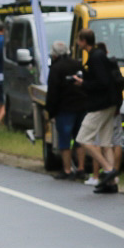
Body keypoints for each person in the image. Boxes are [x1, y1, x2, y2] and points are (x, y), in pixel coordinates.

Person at [73, 29, 124, 193]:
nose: (77, 43)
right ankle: (112, 184)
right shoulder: (100, 55)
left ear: (83, 41)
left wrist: (83, 83)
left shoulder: (95, 57)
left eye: (78, 40)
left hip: (99, 105)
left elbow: (102, 82)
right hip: (110, 104)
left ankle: (108, 170)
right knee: (105, 143)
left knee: (83, 139)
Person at [44, 40, 88, 179]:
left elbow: (53, 92)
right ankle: (81, 168)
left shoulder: (55, 68)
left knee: (64, 140)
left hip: (65, 108)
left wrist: (50, 110)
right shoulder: (78, 64)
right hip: (81, 106)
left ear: (54, 54)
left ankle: (67, 170)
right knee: (80, 139)